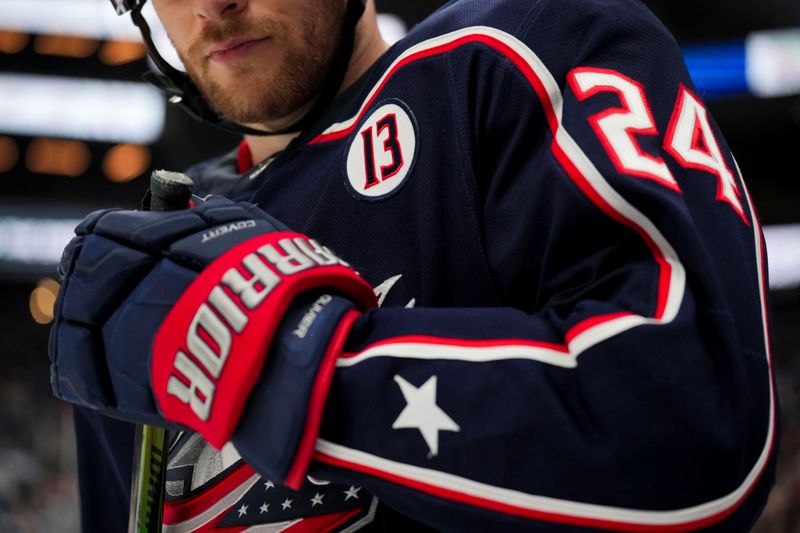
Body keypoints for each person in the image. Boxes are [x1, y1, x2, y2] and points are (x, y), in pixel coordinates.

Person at [49, 0, 778, 530]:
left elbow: (695, 429)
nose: (213, 5)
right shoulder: (138, 265)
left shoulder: (515, 49)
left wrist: (280, 368)